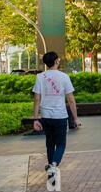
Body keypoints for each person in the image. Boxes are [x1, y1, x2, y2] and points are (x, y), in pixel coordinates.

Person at [32, 52, 81, 184]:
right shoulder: (64, 77)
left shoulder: (40, 77)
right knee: (61, 144)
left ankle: (51, 175)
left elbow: (37, 99)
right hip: (60, 116)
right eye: (58, 58)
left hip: (46, 116)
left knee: (50, 143)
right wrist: (75, 119)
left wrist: (36, 119)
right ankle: (53, 166)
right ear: (56, 61)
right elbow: (71, 100)